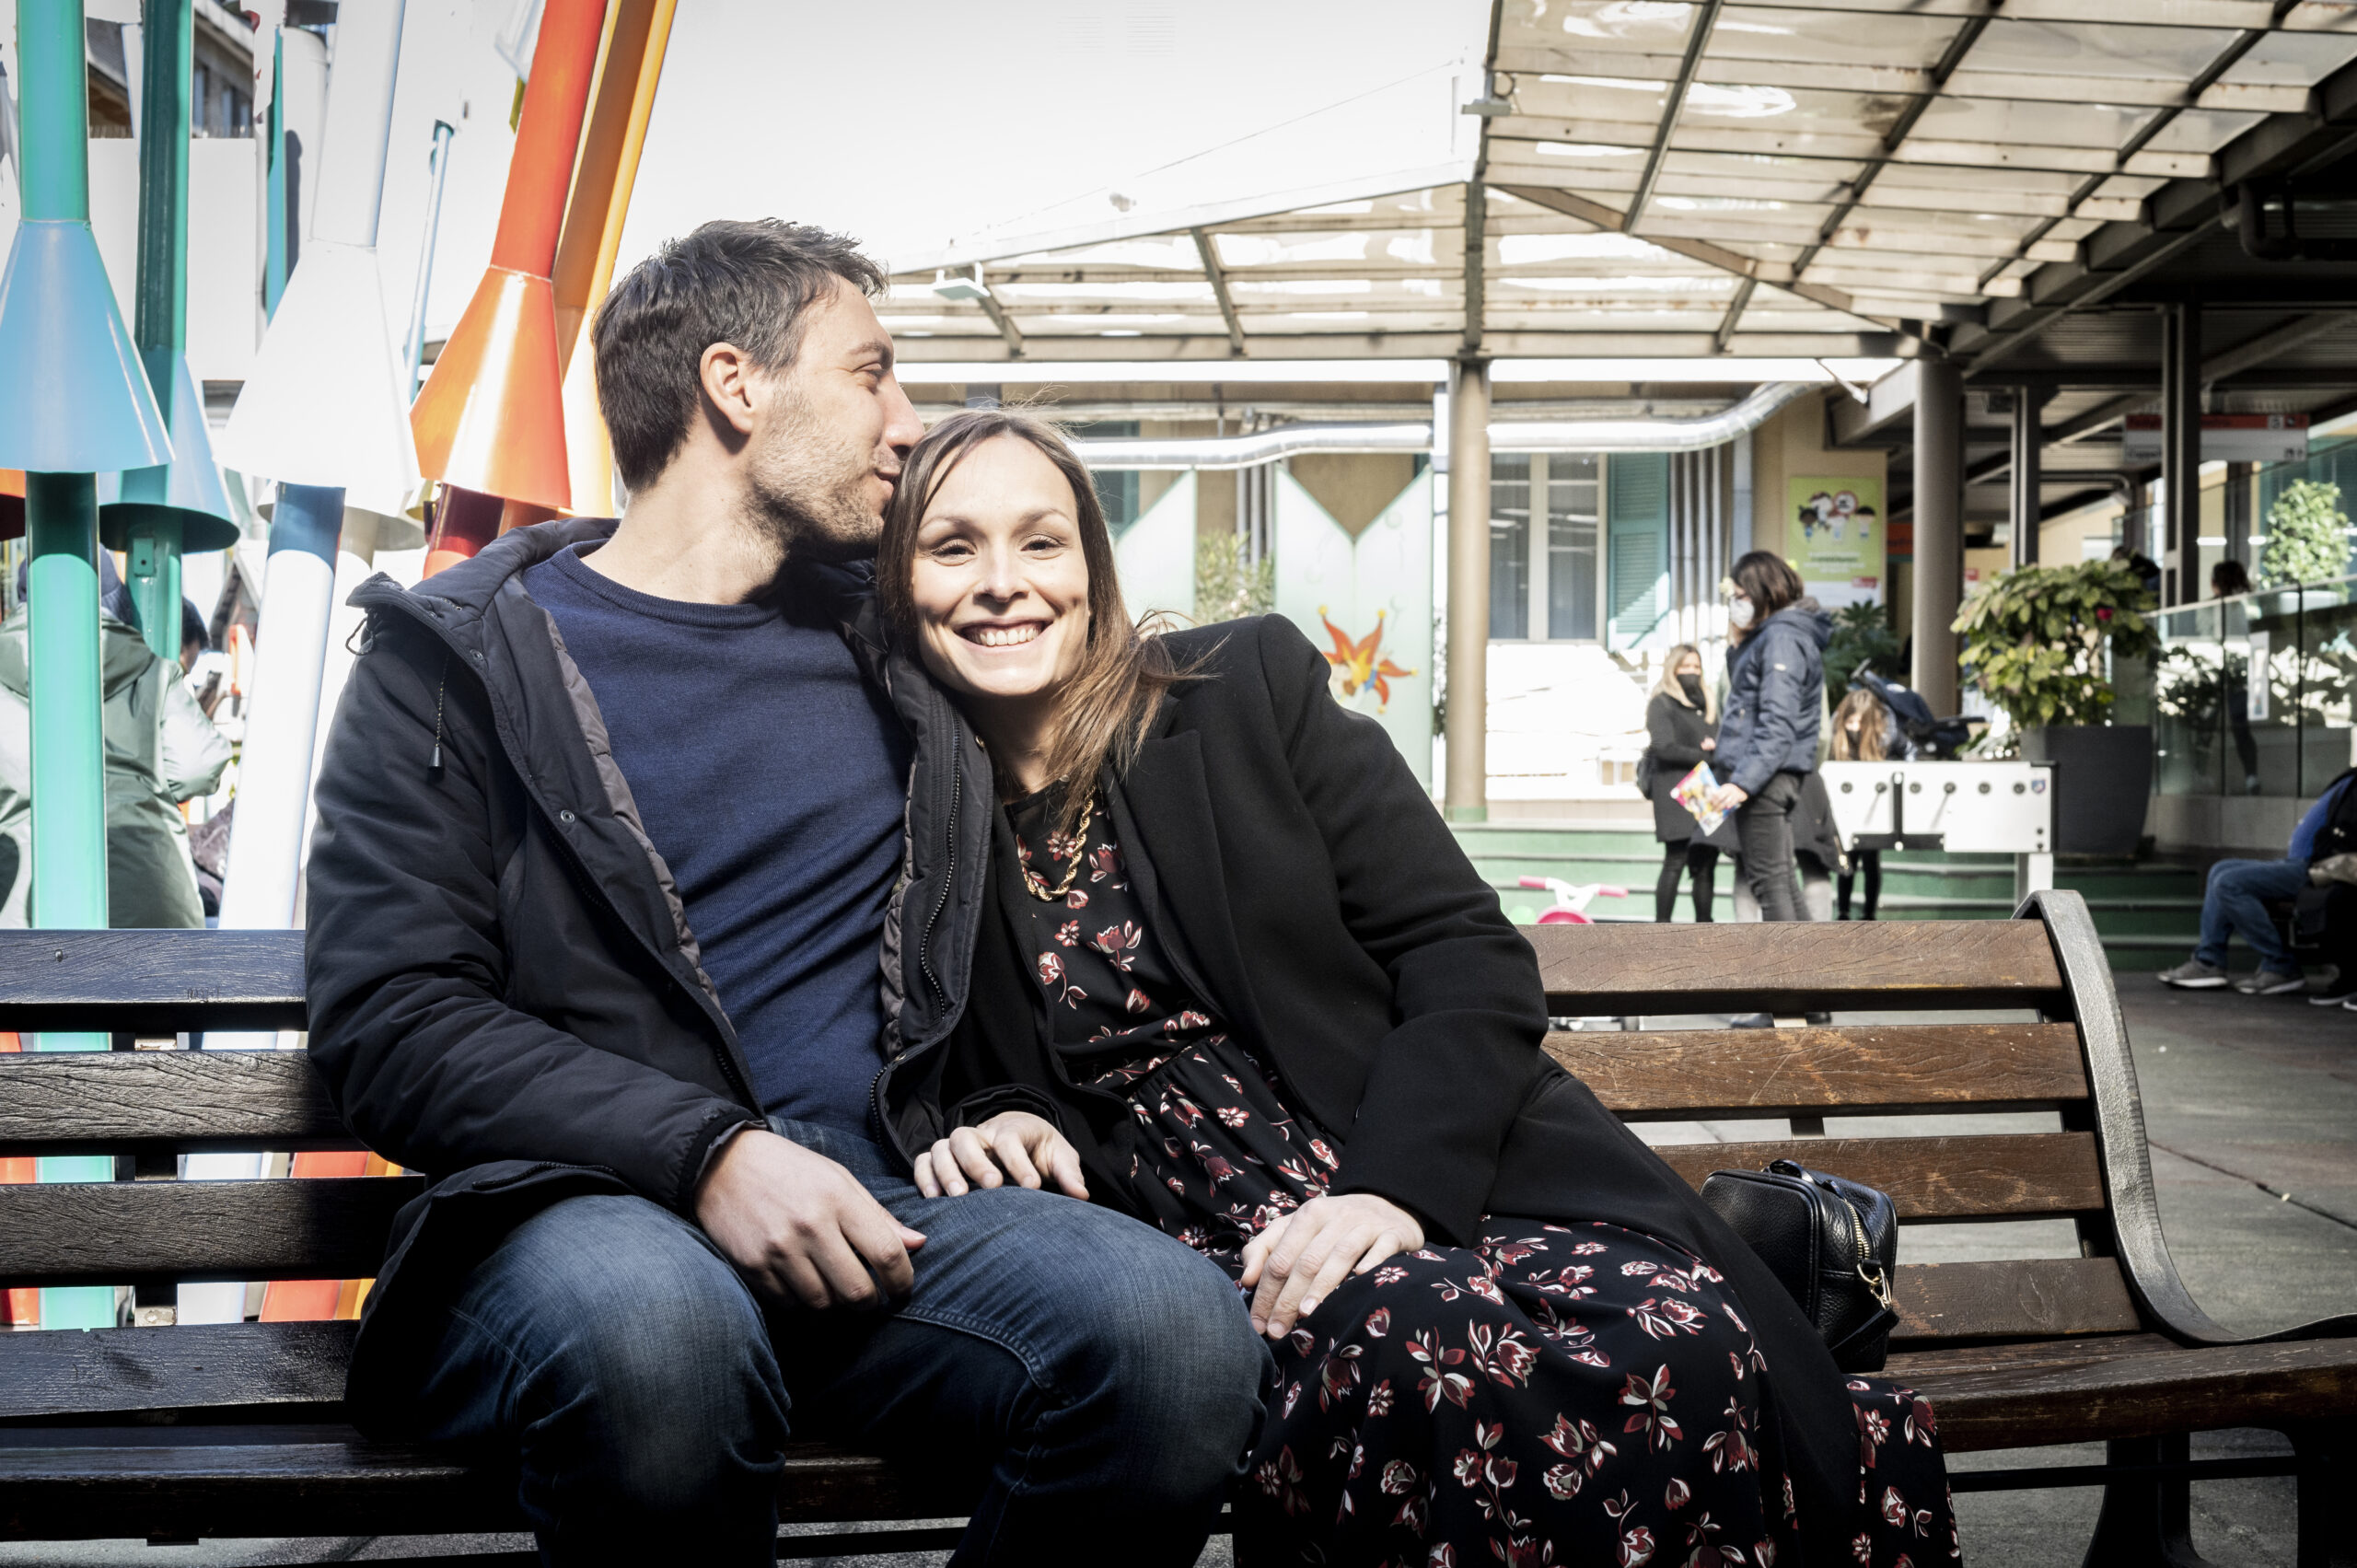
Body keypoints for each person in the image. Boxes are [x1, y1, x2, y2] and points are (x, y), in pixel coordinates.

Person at [303, 221, 1266, 1567]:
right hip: (570, 1212)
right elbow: (392, 1020)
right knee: (662, 1338)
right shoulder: (452, 663)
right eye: (872, 372)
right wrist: (710, 1153)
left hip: (882, 1201)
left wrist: (1004, 1104)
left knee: (1177, 1335)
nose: (907, 422)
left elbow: (1038, 866)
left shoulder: (898, 642)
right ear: (735, 385)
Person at [875, 409, 1956, 1568]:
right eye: (953, 546)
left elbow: (1464, 948)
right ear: (899, 582)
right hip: (1200, 1249)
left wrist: (1394, 1190)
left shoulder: (1240, 692)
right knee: (1431, 1345)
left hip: (1432, 1171)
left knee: (1680, 1341)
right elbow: (924, 1055)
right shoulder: (901, 797)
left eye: (1040, 541)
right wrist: (992, 1111)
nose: (1003, 581)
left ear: (1090, 564)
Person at [0, 555, 228, 928]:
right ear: (113, 604)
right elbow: (197, 766)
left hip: (22, 911)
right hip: (148, 895)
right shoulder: (151, 669)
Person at [1708, 552, 1831, 922]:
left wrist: (1743, 782)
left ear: (1765, 591)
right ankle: (1807, 957)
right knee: (1781, 882)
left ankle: (1791, 960)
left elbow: (1778, 721)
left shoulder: (1781, 638)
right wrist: (1739, 644)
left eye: (1742, 595)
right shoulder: (1777, 635)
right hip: (1772, 774)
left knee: (1768, 883)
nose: (1736, 604)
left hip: (1765, 778)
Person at [2157, 768, 2356, 995]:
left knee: (2229, 882)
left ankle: (2281, 964)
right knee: (2220, 868)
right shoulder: (2349, 779)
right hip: (2298, 862)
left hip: (2317, 868)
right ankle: (2209, 960)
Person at [1642, 643, 1723, 922]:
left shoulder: (1707, 704)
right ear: (1673, 669)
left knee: (1706, 864)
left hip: (1704, 793)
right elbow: (1664, 747)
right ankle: (1661, 927)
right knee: (1676, 860)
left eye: (1696, 667)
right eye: (1686, 666)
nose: (1692, 672)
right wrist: (1704, 755)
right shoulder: (1661, 703)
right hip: (1674, 793)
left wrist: (1713, 749)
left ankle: (1705, 928)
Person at [1829, 686, 1897, 920]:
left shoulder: (1886, 731)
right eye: (1850, 722)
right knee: (1847, 858)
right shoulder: (1837, 732)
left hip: (1874, 805)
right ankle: (1843, 912)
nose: (1854, 728)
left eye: (1859, 722)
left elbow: (1906, 752)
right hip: (1847, 804)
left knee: (1870, 859)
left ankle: (1869, 912)